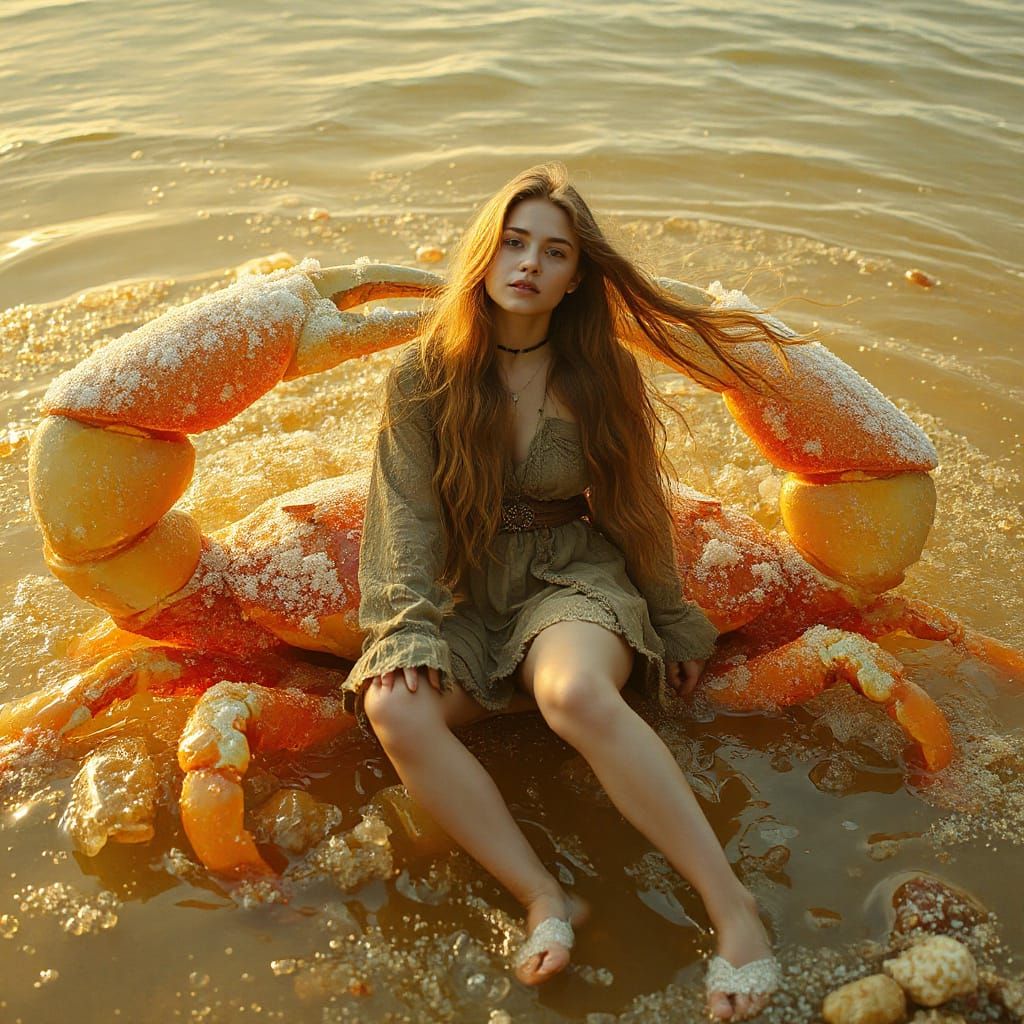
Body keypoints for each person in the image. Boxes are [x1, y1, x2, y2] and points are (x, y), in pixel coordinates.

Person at [345, 163, 789, 1022]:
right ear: (485, 254)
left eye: (554, 252)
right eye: (514, 243)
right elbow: (403, 515)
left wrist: (672, 617)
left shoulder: (601, 372)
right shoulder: (424, 375)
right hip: (467, 590)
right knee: (393, 706)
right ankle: (544, 896)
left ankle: (735, 911)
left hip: (569, 575)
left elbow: (635, 502)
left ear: (577, 276)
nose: (529, 264)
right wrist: (406, 628)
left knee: (574, 692)